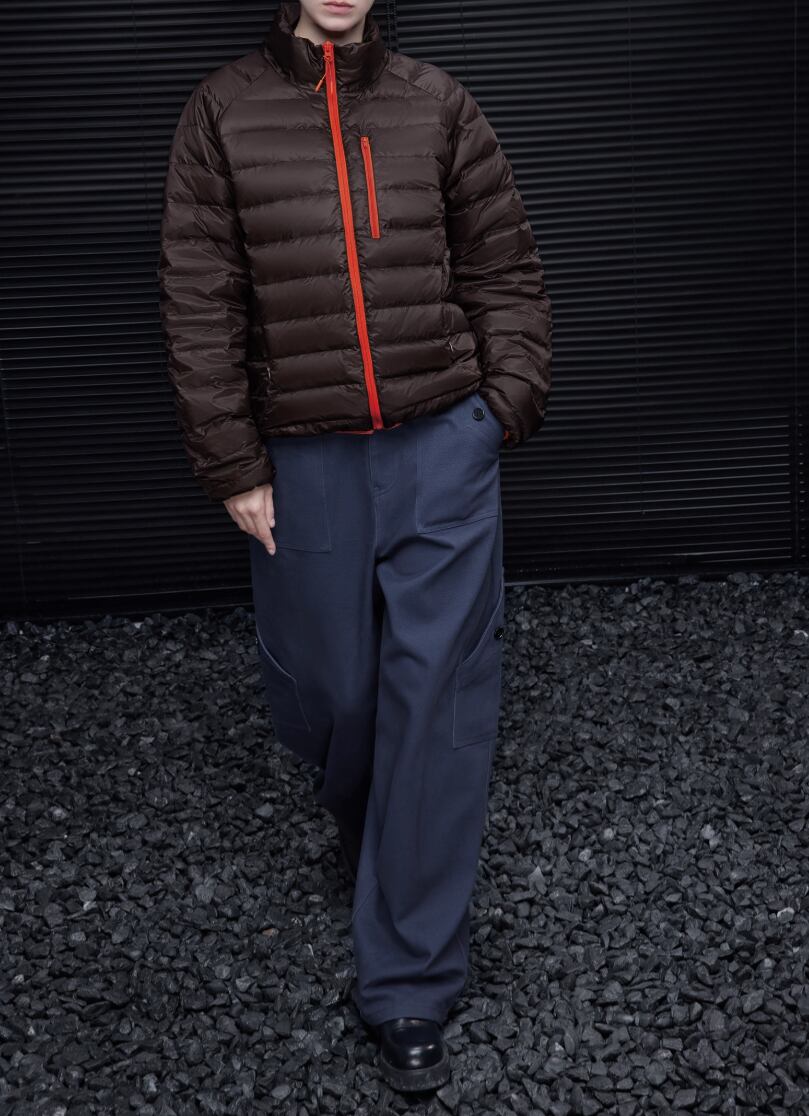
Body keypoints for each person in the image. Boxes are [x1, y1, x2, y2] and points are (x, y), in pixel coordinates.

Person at [158, 0, 551, 1093]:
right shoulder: (222, 112)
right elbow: (199, 302)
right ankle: (382, 836)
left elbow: (505, 269)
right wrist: (233, 464)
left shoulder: (437, 104)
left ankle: (410, 979)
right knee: (331, 693)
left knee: (437, 701)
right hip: (304, 460)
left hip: (440, 447)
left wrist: (498, 412)